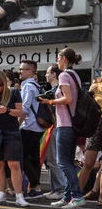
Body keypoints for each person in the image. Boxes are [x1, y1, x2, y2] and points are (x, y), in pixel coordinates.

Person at [42, 48, 85, 209]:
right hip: (72, 124)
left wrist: (50, 102)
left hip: (65, 124)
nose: (57, 61)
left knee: (63, 162)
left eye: (58, 57)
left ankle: (77, 196)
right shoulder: (75, 75)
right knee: (67, 161)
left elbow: (68, 98)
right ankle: (67, 197)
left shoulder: (65, 75)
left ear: (64, 59)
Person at [0, 69, 30, 207]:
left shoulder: (14, 92)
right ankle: (1, 193)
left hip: (11, 132)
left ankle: (19, 195)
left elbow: (21, 112)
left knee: (14, 164)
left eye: (0, 84)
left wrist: (7, 110)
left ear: (5, 83)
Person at [17, 59, 45, 199]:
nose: (19, 71)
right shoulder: (36, 86)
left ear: (30, 71)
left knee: (22, 157)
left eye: (22, 69)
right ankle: (35, 188)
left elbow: (25, 109)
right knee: (34, 158)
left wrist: (17, 125)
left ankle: (36, 185)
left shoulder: (28, 86)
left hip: (28, 126)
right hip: (38, 127)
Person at [43, 64, 66, 200]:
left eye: (47, 72)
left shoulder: (59, 89)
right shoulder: (53, 89)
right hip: (54, 126)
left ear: (53, 74)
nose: (45, 75)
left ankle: (60, 189)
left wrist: (49, 101)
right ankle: (55, 188)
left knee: (55, 159)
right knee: (51, 159)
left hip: (58, 125)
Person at [80, 76, 102, 196]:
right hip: (96, 123)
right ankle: (76, 195)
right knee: (88, 163)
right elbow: (87, 104)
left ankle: (99, 196)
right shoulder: (95, 86)